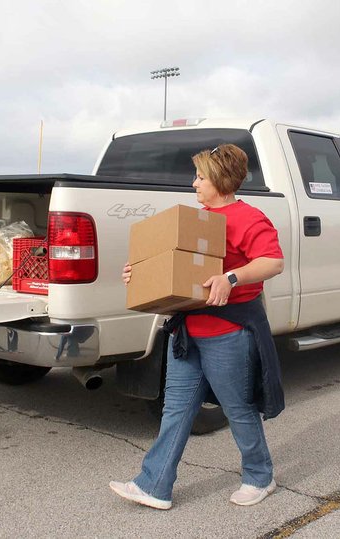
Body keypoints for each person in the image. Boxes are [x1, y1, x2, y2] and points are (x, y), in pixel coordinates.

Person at [110, 144, 285, 509]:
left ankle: (260, 475)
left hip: (229, 332)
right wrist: (139, 273)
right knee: (175, 409)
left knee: (237, 408)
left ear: (219, 180)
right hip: (188, 332)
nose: (194, 184)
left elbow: (272, 262)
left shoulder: (249, 218)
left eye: (200, 177)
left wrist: (231, 277)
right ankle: (154, 484)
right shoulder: (196, 221)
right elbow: (172, 267)